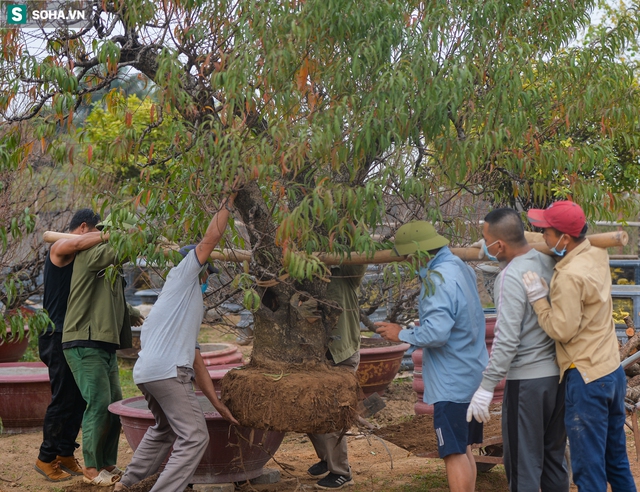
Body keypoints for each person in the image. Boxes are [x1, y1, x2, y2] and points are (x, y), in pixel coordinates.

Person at [114, 192, 240, 492]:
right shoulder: (181, 275)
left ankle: (127, 484)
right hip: (168, 373)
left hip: (148, 373)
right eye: (206, 269)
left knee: (165, 428)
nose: (208, 276)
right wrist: (229, 199)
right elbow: (209, 240)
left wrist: (217, 404)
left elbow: (196, 361)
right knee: (195, 436)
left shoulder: (178, 306)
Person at [521, 200, 636, 492]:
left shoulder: (569, 276)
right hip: (611, 371)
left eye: (546, 231)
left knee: (587, 469)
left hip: (586, 378)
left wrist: (538, 299)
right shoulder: (596, 251)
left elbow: (562, 329)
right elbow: (556, 242)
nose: (543, 236)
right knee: (616, 460)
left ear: (564, 238)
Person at [375, 221, 487, 492]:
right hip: (471, 370)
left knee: (453, 451)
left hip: (452, 380)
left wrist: (402, 334)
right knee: (464, 447)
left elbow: (437, 334)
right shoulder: (460, 266)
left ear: (419, 254)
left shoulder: (437, 279)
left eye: (408, 257)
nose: (409, 263)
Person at [466, 208, 568, 492]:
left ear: (499, 246)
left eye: (486, 240)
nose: (483, 245)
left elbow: (506, 339)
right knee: (552, 460)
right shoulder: (546, 260)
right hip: (558, 377)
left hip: (527, 383)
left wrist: (486, 387)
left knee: (523, 465)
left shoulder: (510, 278)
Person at [62, 213, 143, 486]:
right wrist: (141, 236)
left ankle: (107, 462)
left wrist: (131, 312)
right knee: (98, 403)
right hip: (84, 342)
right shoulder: (93, 252)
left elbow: (113, 296)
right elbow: (118, 249)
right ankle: (91, 467)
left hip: (102, 344)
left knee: (113, 404)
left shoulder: (112, 263)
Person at [34, 209, 104, 482]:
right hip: (55, 333)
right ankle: (45, 457)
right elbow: (73, 243)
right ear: (84, 227)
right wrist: (108, 235)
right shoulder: (60, 246)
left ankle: (64, 453)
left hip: (71, 334)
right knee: (63, 399)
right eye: (97, 232)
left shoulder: (79, 254)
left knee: (77, 399)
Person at [306, 263, 366, 490]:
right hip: (315, 355)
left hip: (342, 354)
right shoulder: (306, 276)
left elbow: (356, 244)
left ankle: (341, 472)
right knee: (309, 409)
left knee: (333, 413)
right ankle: (326, 459)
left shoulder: (346, 273)